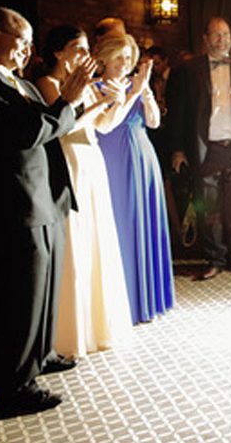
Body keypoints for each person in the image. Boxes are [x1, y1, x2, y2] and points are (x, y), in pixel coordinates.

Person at [0, 7, 93, 412]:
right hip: (16, 201)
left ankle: (42, 353)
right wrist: (67, 100)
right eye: (21, 41)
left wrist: (70, 105)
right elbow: (30, 131)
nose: (26, 51)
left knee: (46, 286)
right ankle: (16, 386)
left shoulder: (17, 83)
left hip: (44, 196)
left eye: (29, 44)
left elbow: (53, 125)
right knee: (22, 296)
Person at [36, 26, 133, 357]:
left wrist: (122, 99)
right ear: (58, 52)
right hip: (70, 162)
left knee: (96, 239)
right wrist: (95, 101)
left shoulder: (86, 84)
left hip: (92, 162)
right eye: (77, 48)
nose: (85, 55)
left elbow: (104, 125)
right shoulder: (48, 84)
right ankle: (70, 331)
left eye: (86, 49)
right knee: (74, 241)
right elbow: (65, 126)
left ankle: (97, 324)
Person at [167, 17, 231, 281]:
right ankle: (214, 259)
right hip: (205, 147)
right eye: (216, 34)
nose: (222, 39)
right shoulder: (189, 70)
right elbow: (179, 113)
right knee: (210, 209)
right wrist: (178, 149)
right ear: (205, 39)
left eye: (226, 34)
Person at [95, 34, 175, 323]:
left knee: (145, 223)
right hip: (113, 160)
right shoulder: (94, 87)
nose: (124, 63)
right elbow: (104, 126)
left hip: (143, 157)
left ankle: (148, 300)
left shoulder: (136, 85)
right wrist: (132, 94)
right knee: (121, 223)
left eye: (128, 58)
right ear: (104, 58)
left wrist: (145, 94)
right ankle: (124, 301)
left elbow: (153, 122)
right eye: (118, 57)